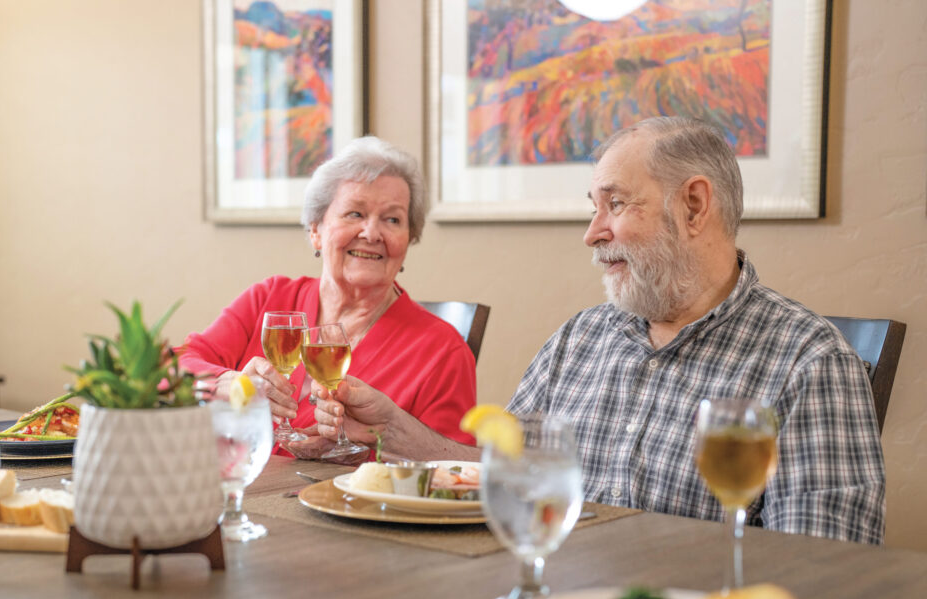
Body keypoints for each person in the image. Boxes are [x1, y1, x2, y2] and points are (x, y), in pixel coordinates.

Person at [311, 117, 885, 544]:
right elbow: (503, 479)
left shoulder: (809, 363)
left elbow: (824, 568)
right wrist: (397, 431)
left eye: (615, 204)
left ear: (693, 206)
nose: (592, 232)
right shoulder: (579, 340)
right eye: (594, 207)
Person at [179, 136, 477, 459]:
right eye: (354, 213)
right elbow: (176, 367)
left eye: (392, 219)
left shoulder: (443, 351)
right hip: (233, 497)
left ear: (409, 239)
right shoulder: (271, 299)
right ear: (315, 230)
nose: (372, 233)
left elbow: (454, 474)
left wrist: (371, 448)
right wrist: (229, 385)